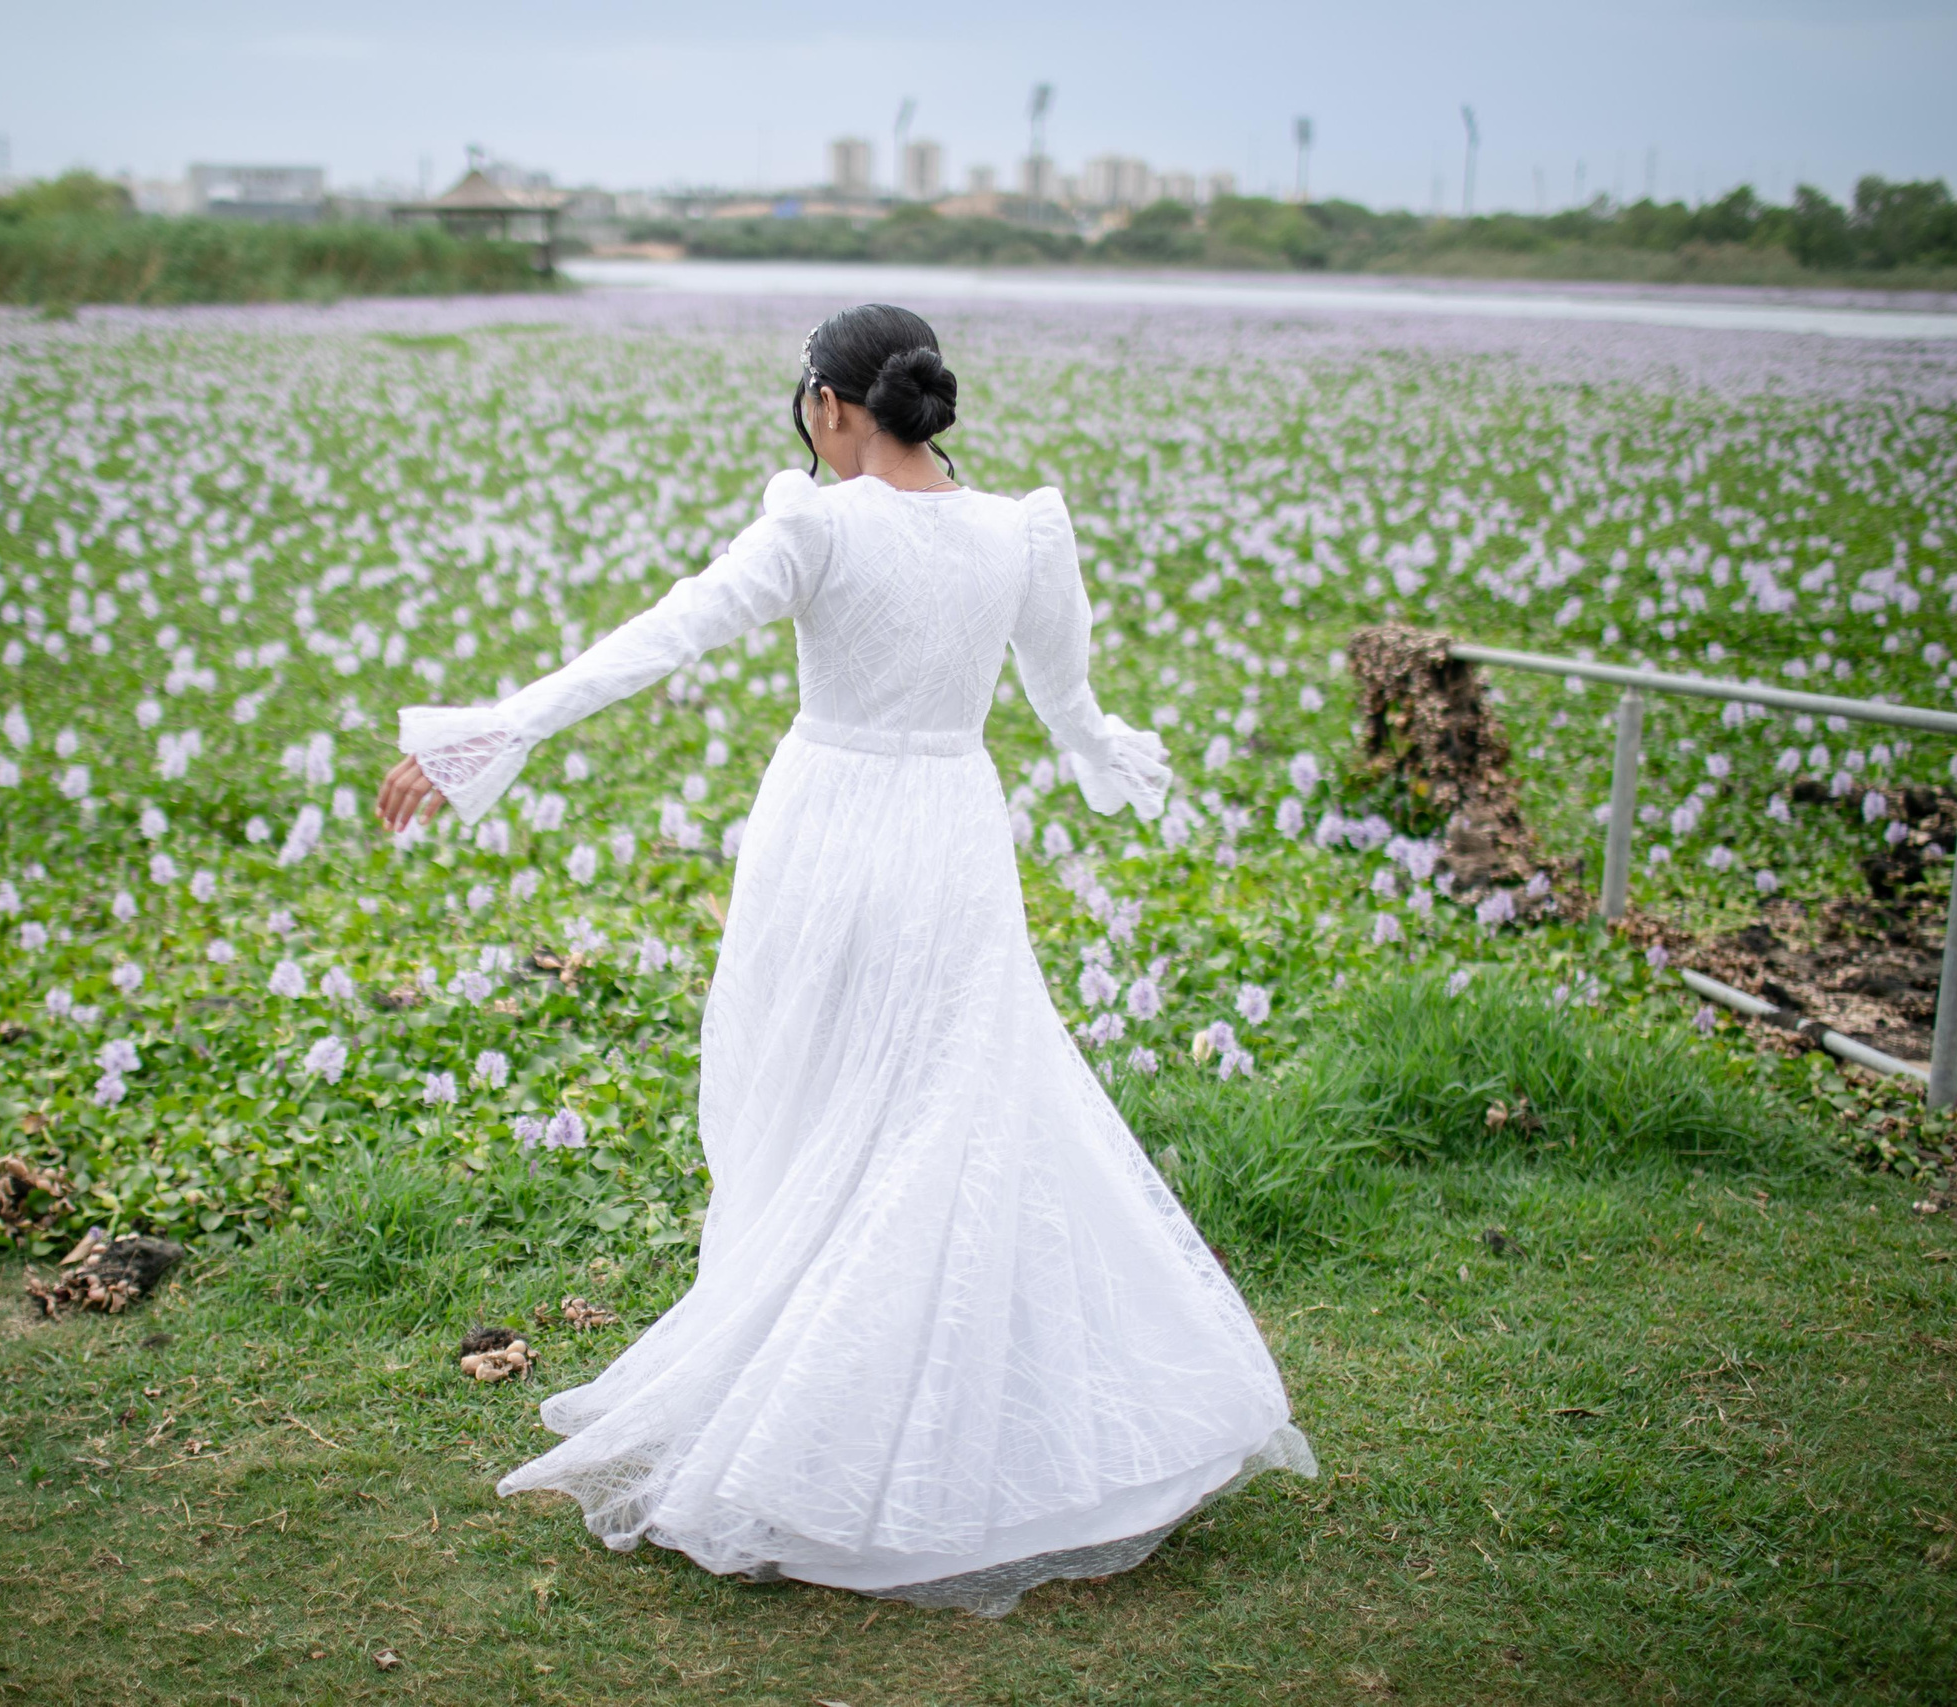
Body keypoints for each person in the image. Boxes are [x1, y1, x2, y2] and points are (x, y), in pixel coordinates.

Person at [375, 303, 1314, 1616]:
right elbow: (1069, 707)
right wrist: (1117, 765)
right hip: (950, 831)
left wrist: (482, 738)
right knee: (960, 1103)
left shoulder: (814, 523)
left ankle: (812, 1424)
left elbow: (662, 639)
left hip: (827, 832)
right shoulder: (1020, 531)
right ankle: (950, 1416)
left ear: (828, 405)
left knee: (806, 1099)